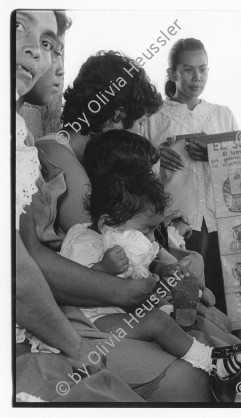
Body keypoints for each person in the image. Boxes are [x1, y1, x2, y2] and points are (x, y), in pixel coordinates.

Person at [20, 50, 219, 401]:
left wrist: (176, 263)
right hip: (83, 302)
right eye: (140, 122)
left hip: (103, 295)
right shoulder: (60, 154)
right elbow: (115, 245)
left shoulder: (98, 159)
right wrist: (161, 270)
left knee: (208, 326)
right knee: (192, 375)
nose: (144, 133)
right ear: (115, 117)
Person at [15, 10, 143, 401]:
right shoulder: (52, 150)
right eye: (18, 28)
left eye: (50, 45)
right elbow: (21, 268)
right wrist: (119, 294)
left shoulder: (17, 132)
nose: (39, 55)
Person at [58, 136, 241, 382]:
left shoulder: (122, 238)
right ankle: (209, 361)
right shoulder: (84, 241)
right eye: (146, 230)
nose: (151, 239)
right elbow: (72, 285)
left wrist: (161, 267)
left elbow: (141, 268)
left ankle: (206, 343)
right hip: (93, 320)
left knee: (169, 312)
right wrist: (102, 267)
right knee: (158, 320)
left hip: (120, 310)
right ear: (107, 222)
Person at [140, 38, 238, 314]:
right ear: (172, 72)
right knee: (186, 304)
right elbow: (137, 173)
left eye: (203, 69)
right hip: (177, 225)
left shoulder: (222, 115)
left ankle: (229, 354)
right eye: (188, 69)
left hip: (221, 224)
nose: (197, 77)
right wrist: (156, 156)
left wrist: (215, 154)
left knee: (225, 301)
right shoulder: (154, 116)